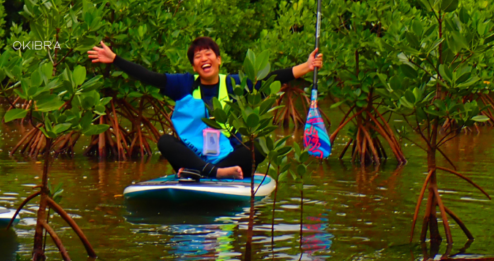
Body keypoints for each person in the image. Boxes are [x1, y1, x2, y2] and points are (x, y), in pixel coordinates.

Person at [87, 37, 322, 179]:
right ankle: (215, 173)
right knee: (164, 142)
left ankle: (208, 172)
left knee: (259, 145)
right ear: (193, 65)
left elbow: (271, 78)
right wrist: (115, 59)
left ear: (218, 60)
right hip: (195, 157)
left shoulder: (234, 84)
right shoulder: (184, 84)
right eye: (198, 56)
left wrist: (306, 66)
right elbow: (150, 77)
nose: (203, 58)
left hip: (229, 157)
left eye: (208, 54)